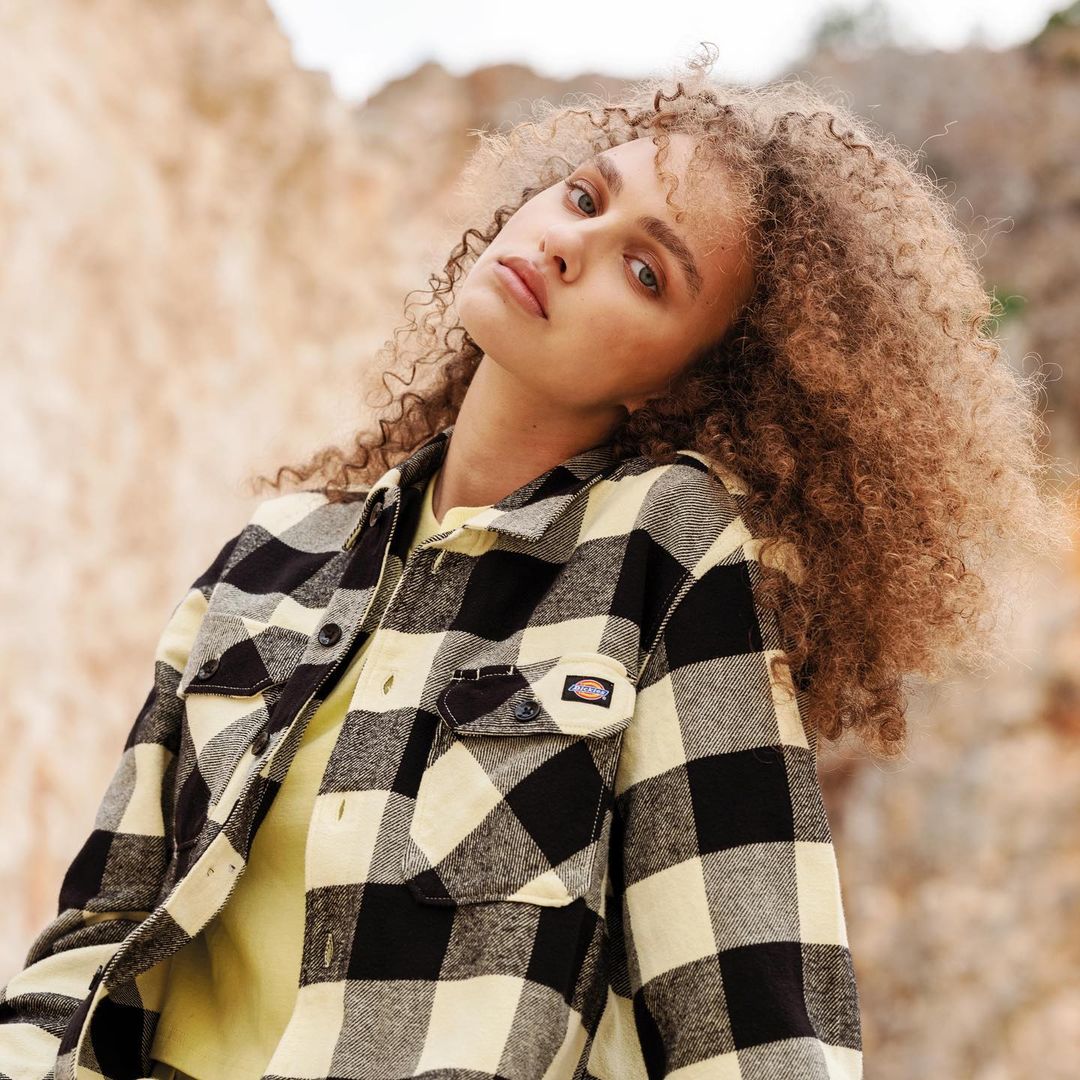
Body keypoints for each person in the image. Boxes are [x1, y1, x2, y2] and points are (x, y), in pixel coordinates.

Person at [1, 45, 1071, 1080]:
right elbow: (95, 937)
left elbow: (747, 1027)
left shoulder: (665, 554)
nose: (571, 244)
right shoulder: (274, 553)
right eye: (584, 197)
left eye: (646, 272)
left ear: (681, 381)